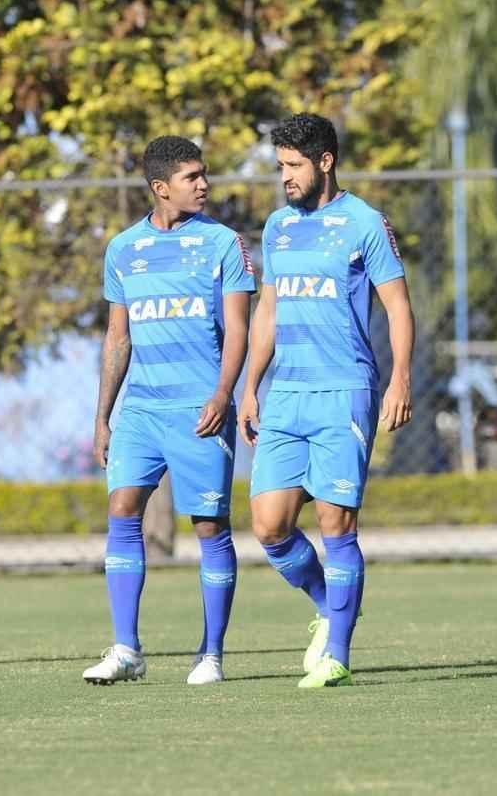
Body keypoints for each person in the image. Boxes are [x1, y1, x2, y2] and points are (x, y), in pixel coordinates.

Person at [238, 113, 415, 688]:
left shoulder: (365, 223)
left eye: (292, 166)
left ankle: (337, 651)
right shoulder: (277, 227)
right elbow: (269, 310)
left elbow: (398, 307)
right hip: (286, 394)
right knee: (268, 526)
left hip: (345, 391)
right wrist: (250, 386)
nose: (284, 177)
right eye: (280, 166)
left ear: (325, 162)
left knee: (336, 522)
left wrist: (400, 379)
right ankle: (328, 603)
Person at [83, 136, 256, 685]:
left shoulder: (224, 244)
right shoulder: (122, 249)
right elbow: (117, 338)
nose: (203, 184)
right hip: (141, 410)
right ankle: (126, 648)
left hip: (200, 408)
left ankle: (211, 654)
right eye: (191, 177)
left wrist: (223, 393)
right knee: (122, 508)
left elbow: (239, 330)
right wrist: (102, 415)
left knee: (208, 526)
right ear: (160, 188)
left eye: (204, 174)